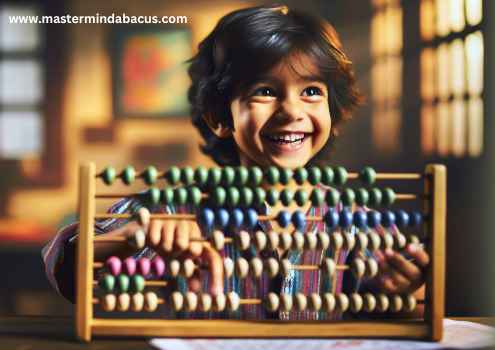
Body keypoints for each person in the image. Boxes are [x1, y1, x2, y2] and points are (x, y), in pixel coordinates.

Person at [42, 5, 429, 320]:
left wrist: (404, 289)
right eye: (265, 91)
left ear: (334, 110)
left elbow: (407, 305)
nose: (291, 111)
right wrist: (131, 237)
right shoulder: (169, 211)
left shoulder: (360, 223)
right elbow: (69, 272)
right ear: (220, 118)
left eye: (311, 91)